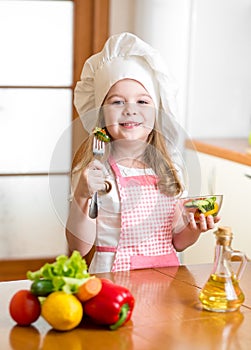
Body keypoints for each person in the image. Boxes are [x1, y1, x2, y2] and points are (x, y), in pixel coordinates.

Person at [65, 32, 220, 273]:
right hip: (112, 282)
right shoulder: (93, 172)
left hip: (167, 285)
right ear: (101, 115)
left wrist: (194, 228)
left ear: (157, 112)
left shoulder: (171, 169)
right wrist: (83, 195)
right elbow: (79, 247)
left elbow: (177, 242)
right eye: (117, 102)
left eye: (143, 102)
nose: (130, 110)